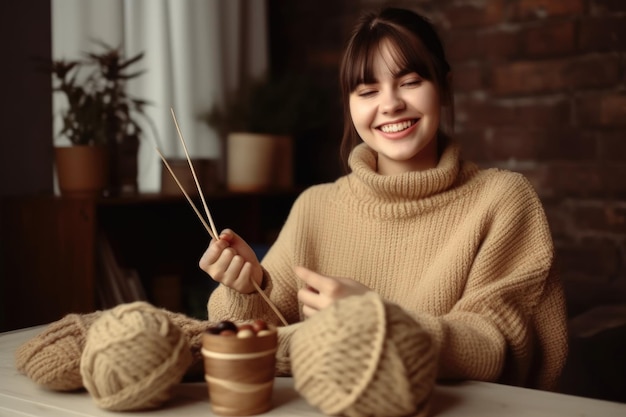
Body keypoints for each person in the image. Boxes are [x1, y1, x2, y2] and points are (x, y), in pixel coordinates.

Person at [199, 7, 567, 390]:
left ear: (444, 86)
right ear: (350, 105)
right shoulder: (315, 207)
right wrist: (246, 287)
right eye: (369, 91)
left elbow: (497, 346)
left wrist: (382, 321)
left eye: (409, 82)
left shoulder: (502, 200)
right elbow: (258, 342)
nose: (390, 104)